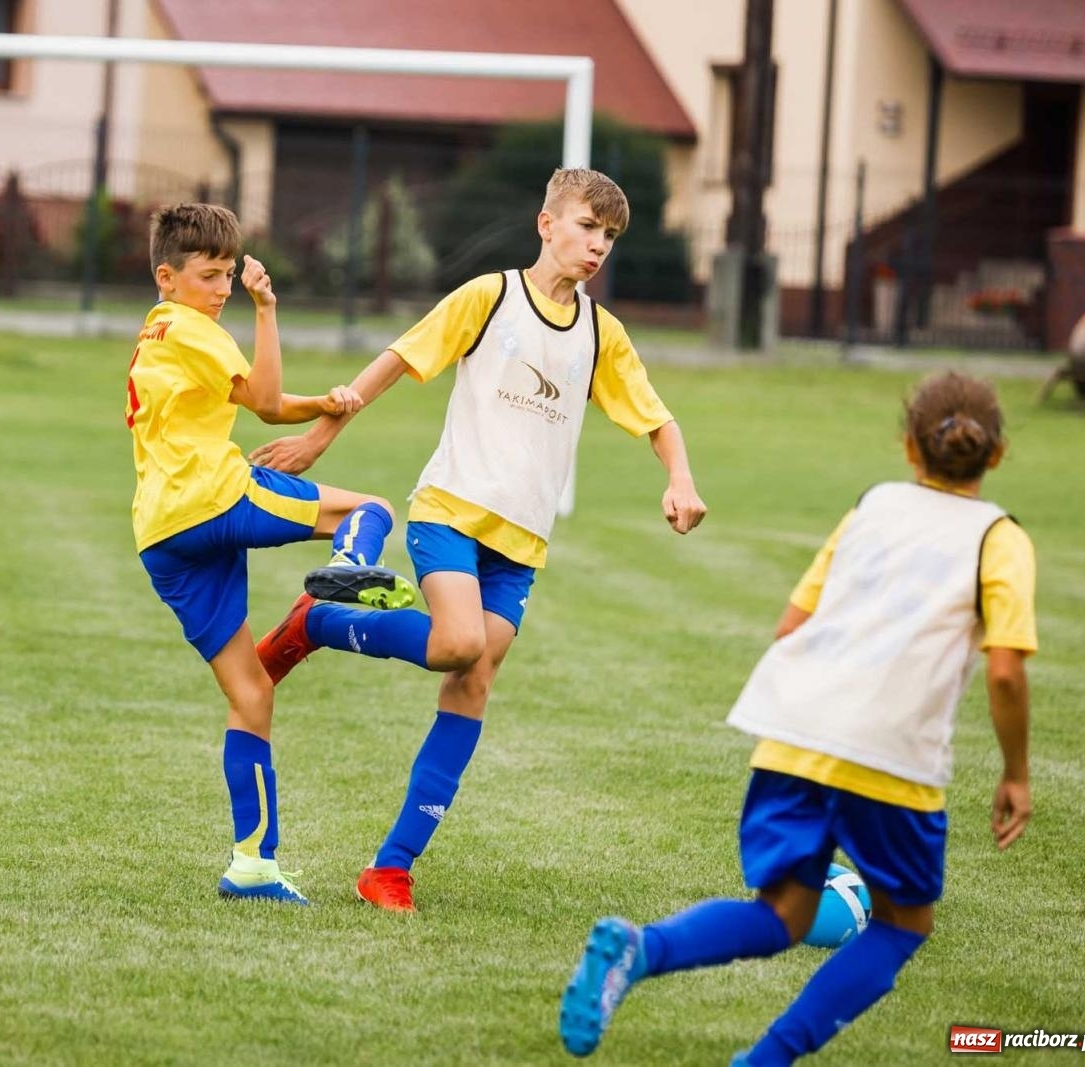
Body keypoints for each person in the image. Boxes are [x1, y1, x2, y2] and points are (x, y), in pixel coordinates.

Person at [251, 168, 706, 913]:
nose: (598, 246)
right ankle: (321, 620)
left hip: (521, 544)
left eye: (610, 237)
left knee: (473, 678)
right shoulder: (489, 297)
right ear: (547, 224)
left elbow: (658, 418)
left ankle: (389, 868)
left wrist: (679, 479)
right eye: (588, 227)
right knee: (461, 643)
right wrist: (319, 435)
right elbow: (398, 359)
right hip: (450, 511)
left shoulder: (602, 334)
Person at [558, 370, 1035, 1065]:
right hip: (890, 753)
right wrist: (1016, 772)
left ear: (909, 447)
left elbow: (791, 626)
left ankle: (642, 946)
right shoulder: (1000, 538)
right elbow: (1003, 669)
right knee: (904, 923)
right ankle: (765, 1059)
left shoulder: (871, 507)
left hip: (795, 733)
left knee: (783, 912)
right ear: (997, 453)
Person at [128, 203, 416, 905]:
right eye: (208, 275)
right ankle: (347, 571)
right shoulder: (195, 326)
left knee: (252, 692)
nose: (221, 287)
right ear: (168, 276)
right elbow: (259, 400)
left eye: (229, 274)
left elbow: (262, 400)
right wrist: (265, 308)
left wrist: (328, 402)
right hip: (215, 496)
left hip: (161, 533)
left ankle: (252, 863)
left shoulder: (160, 331)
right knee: (371, 508)